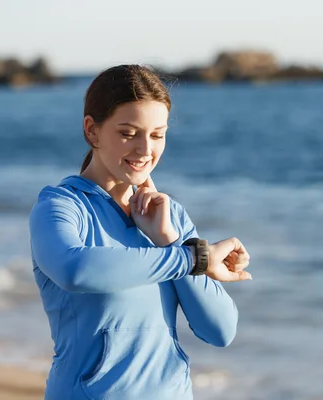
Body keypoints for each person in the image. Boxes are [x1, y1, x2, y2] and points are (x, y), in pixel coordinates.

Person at [28, 64, 252, 400]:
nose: (145, 149)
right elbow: (75, 271)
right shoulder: (60, 207)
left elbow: (220, 330)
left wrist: (170, 241)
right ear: (92, 131)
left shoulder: (169, 216)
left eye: (157, 134)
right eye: (128, 133)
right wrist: (191, 258)